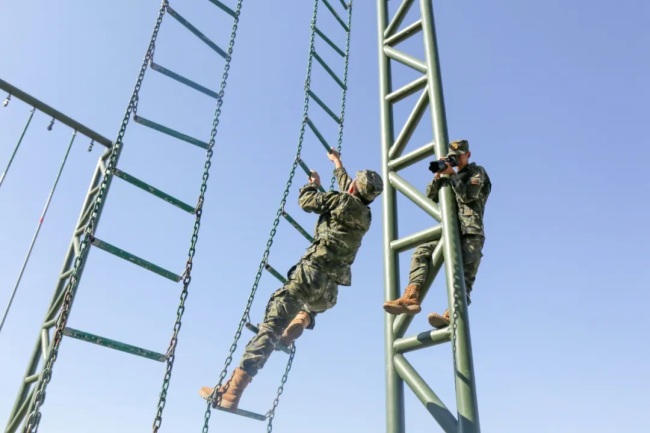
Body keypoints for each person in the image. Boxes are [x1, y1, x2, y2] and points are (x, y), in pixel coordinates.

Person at [200, 149, 383, 410]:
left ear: (354, 189)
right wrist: (337, 164)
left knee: (270, 328)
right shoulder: (366, 216)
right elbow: (351, 190)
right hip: (329, 291)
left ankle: (232, 392)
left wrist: (313, 186)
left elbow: (307, 202)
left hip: (311, 274)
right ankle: (303, 319)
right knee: (308, 308)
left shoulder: (340, 201)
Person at [383, 139, 491, 328]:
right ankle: (411, 296)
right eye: (453, 157)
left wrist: (452, 175)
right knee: (421, 251)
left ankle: (452, 314)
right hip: (449, 231)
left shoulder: (477, 172)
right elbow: (431, 196)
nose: (456, 160)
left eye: (459, 157)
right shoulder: (450, 176)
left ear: (468, 155)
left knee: (464, 278)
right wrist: (439, 175)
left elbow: (468, 195)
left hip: (470, 232)